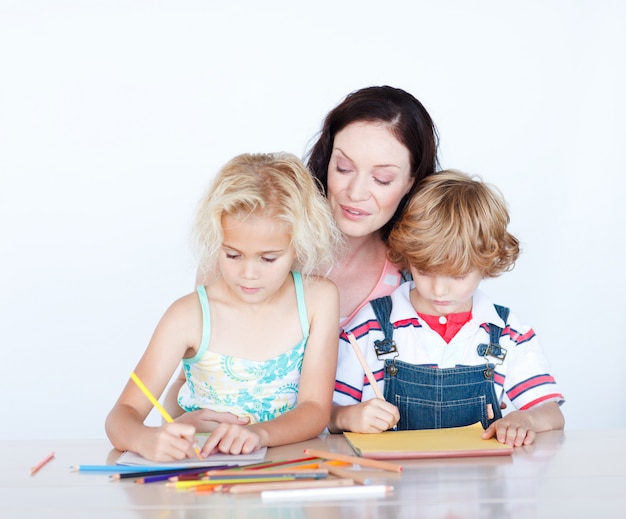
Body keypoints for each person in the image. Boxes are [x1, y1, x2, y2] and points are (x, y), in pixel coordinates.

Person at [163, 85, 439, 430]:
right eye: (343, 168)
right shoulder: (249, 253)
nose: (355, 193)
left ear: (412, 181)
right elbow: (185, 389)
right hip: (252, 457)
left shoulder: (414, 278)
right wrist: (190, 419)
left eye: (382, 178)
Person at [105, 152, 343, 461]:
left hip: (290, 470)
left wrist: (259, 434)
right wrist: (145, 439)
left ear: (298, 243)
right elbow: (120, 417)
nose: (248, 273)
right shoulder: (187, 316)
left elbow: (315, 410)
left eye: (268, 258)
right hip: (206, 477)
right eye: (232, 255)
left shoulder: (318, 299)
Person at [331, 170, 565, 446]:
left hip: (481, 484)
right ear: (408, 257)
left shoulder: (506, 333)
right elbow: (329, 414)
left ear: (487, 262)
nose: (439, 290)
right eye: (425, 271)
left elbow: (551, 413)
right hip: (395, 483)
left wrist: (526, 420)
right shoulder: (370, 326)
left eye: (458, 275)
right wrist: (346, 418)